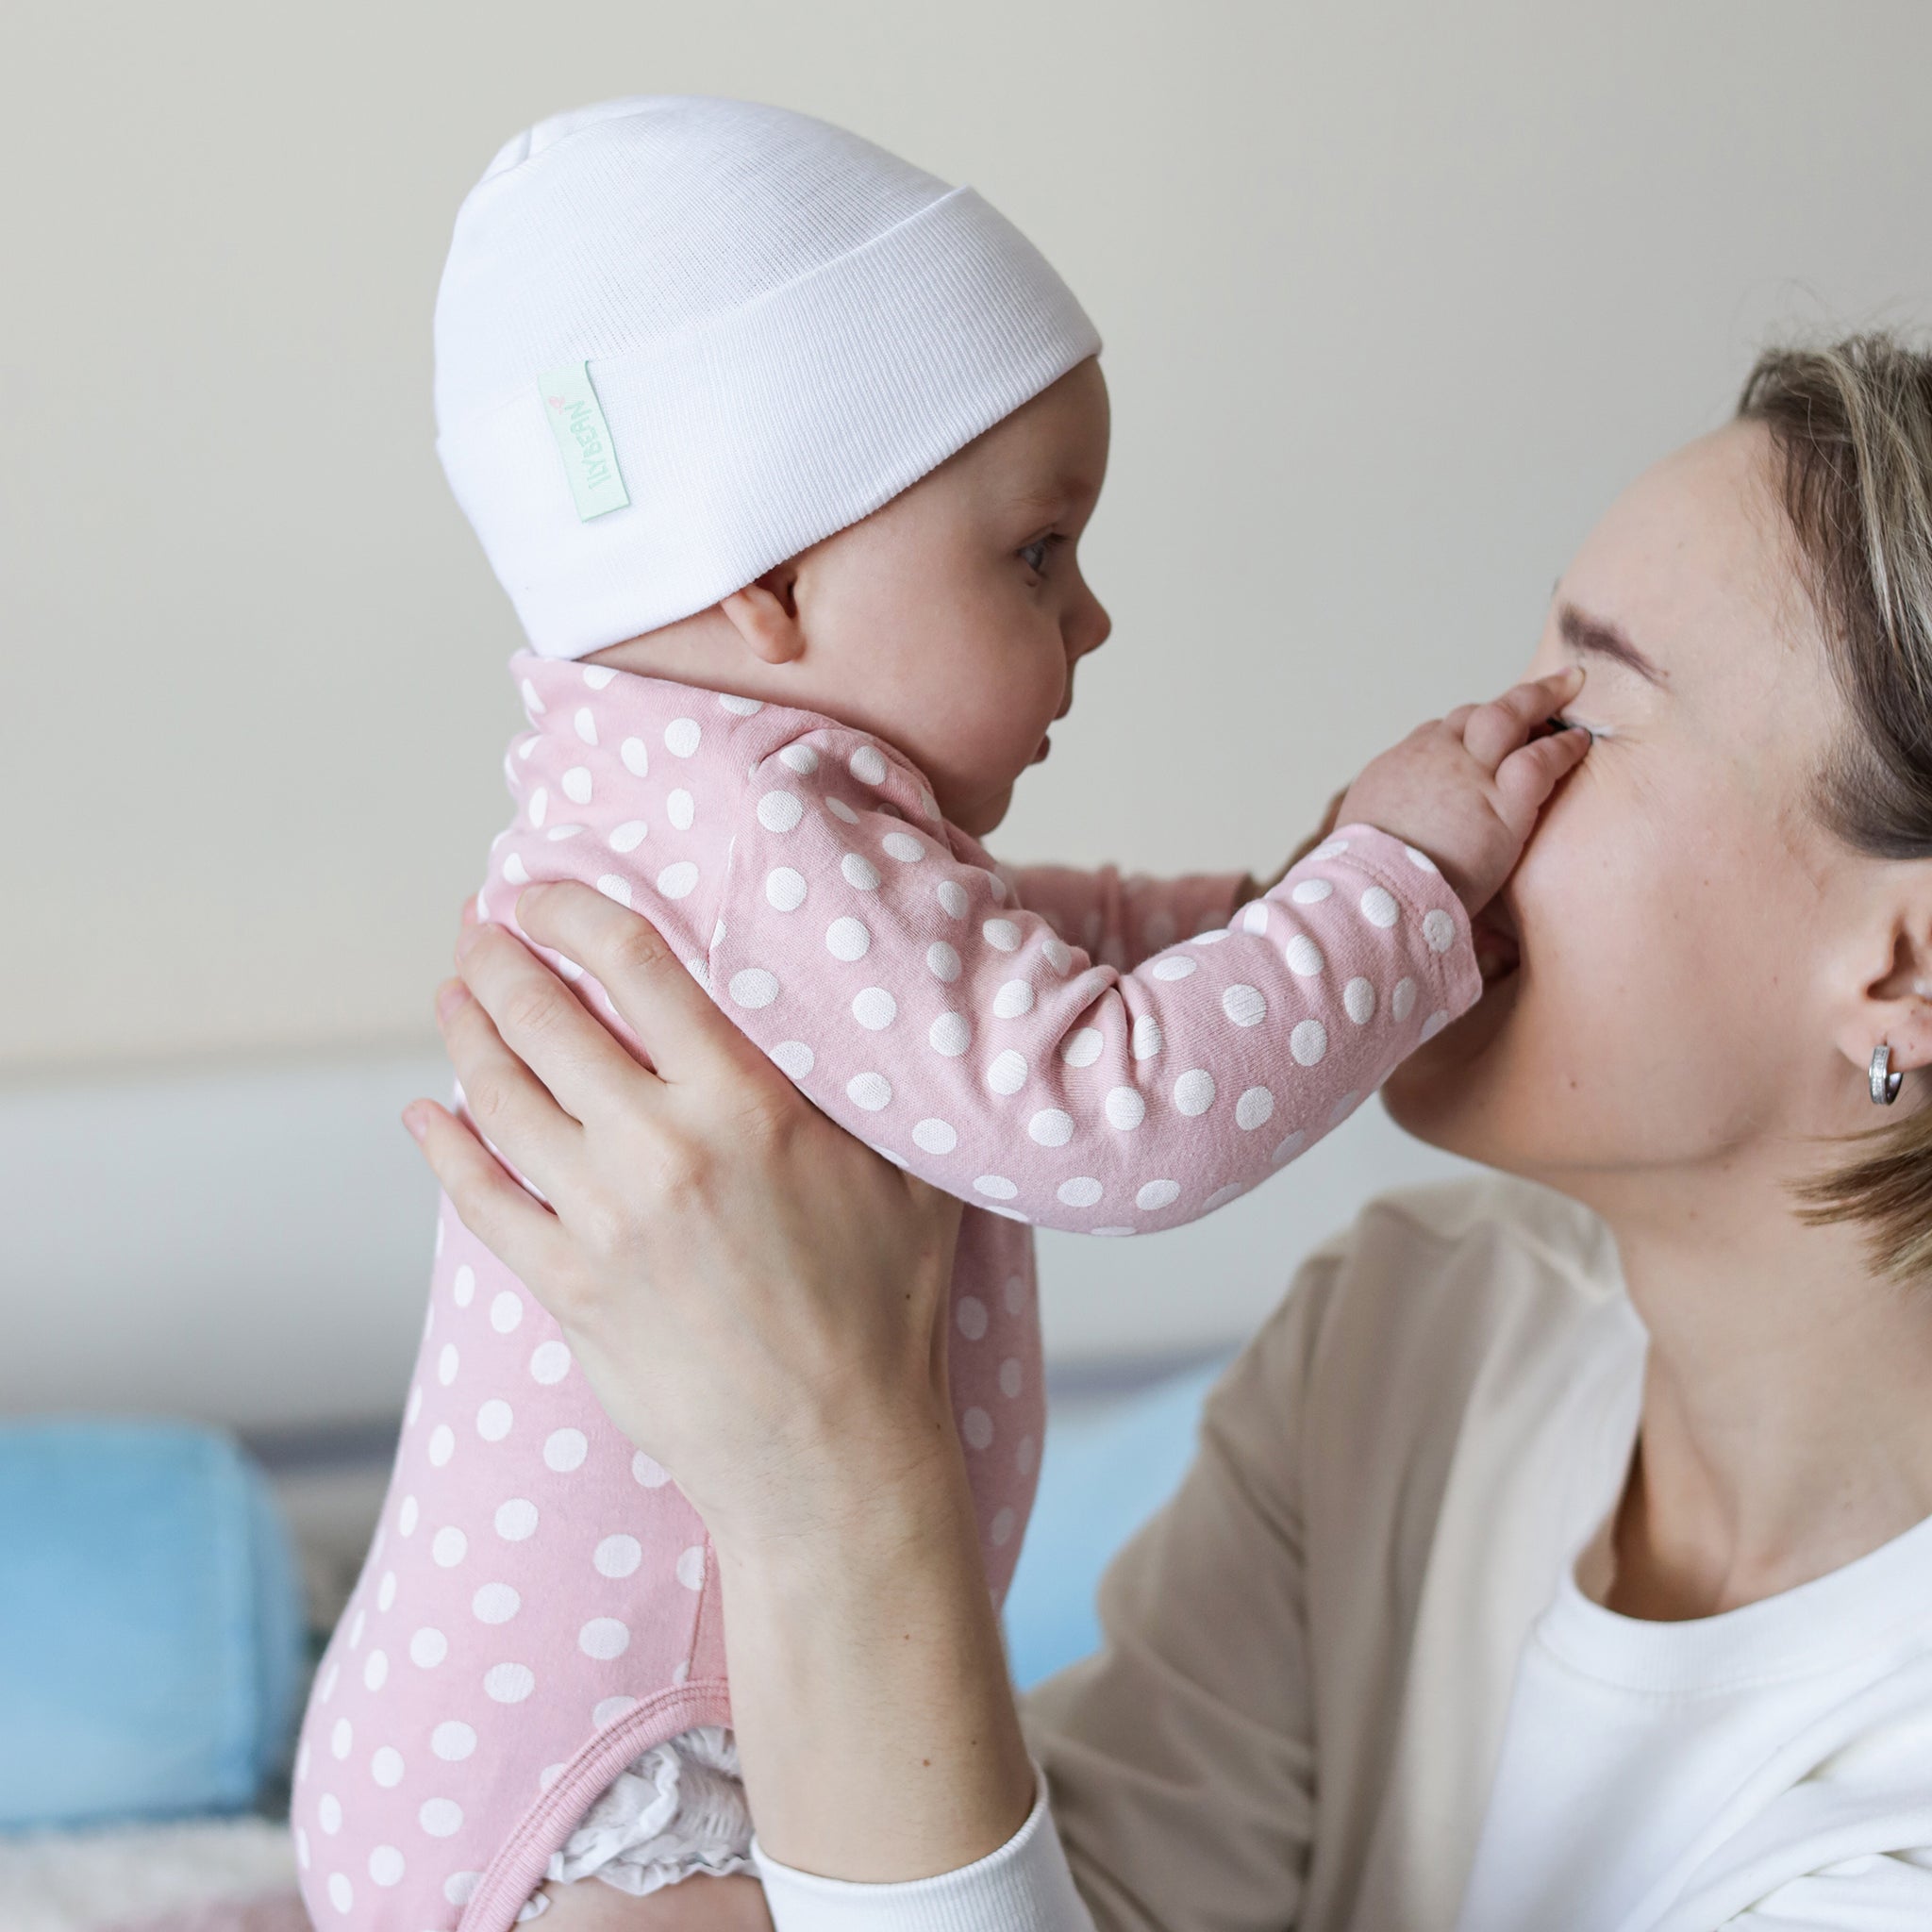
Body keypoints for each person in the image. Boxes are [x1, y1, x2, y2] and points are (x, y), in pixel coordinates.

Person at [408, 332, 1932, 1929]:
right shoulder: (1426, 1334)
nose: (1479, 759)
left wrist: (835, 1487)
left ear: (1904, 967)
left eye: (1591, 714)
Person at [294, 96, 1592, 1930]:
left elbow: (991, 967)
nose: (1093, 615)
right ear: (760, 578)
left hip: (560, 1731)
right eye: (1034, 552)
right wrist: (1385, 894)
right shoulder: (749, 836)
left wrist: (1275, 911)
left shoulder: (701, 806)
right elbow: (1107, 1117)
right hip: (619, 1781)